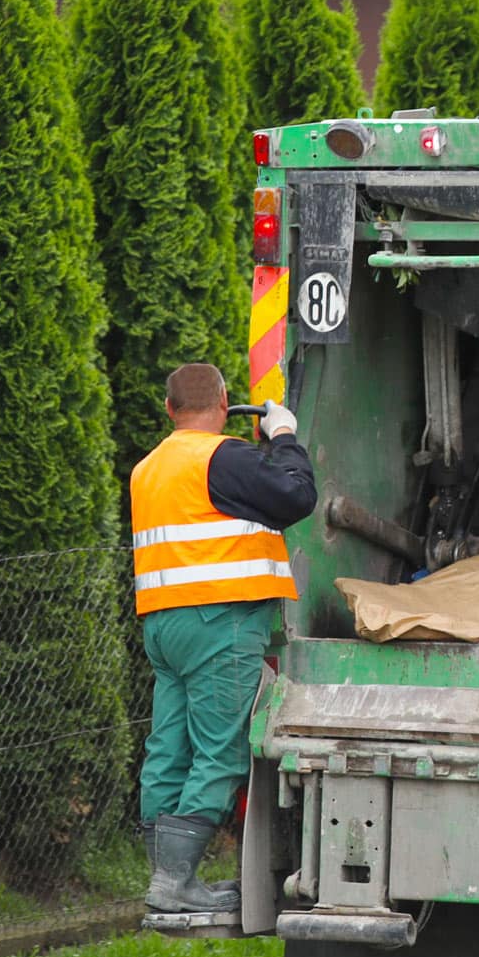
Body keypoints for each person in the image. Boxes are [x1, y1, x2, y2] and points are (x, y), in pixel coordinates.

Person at [131, 362, 317, 915]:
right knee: (220, 750)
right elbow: (295, 497)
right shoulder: (221, 457)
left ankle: (166, 873)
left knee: (168, 748)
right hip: (221, 622)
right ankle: (175, 880)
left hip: (164, 626)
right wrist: (283, 435)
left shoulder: (147, 468)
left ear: (168, 409)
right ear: (224, 401)